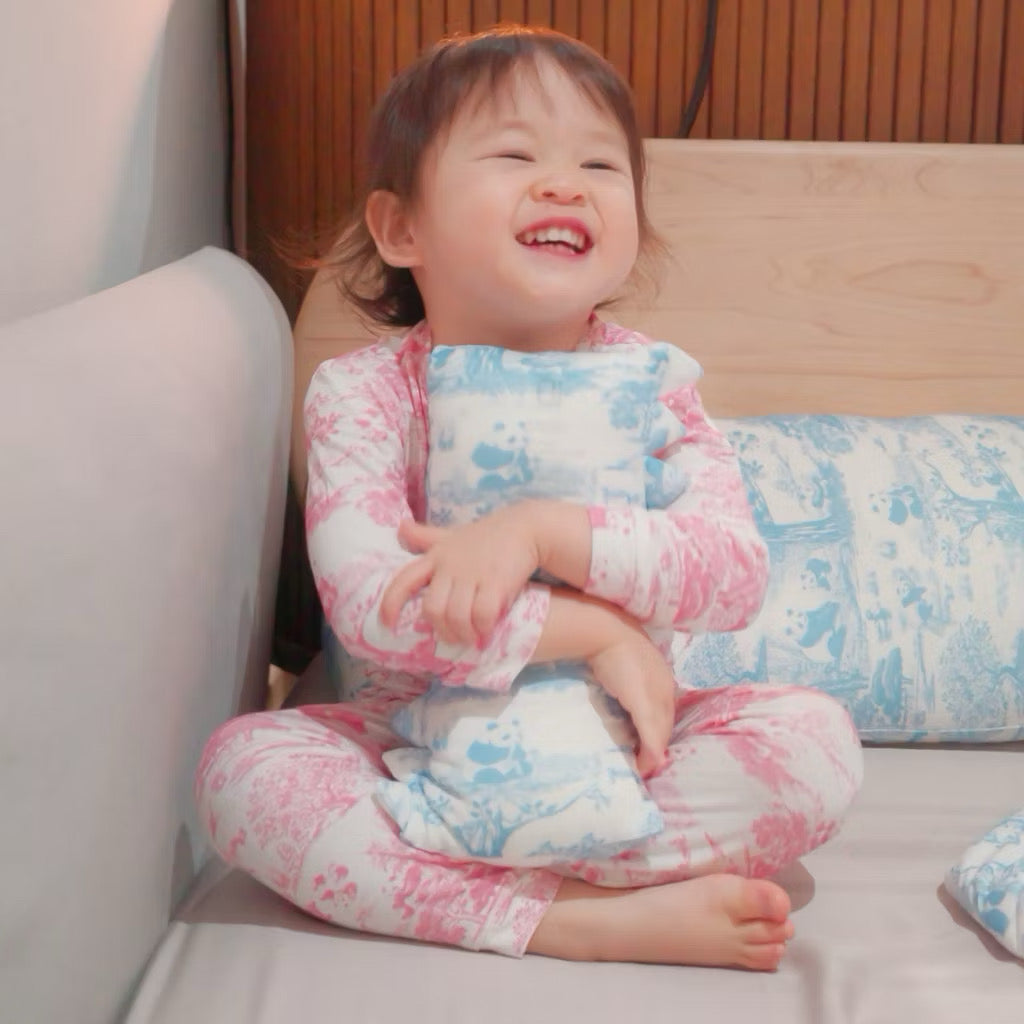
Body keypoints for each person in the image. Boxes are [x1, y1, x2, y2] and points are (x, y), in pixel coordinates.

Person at [195, 25, 863, 971]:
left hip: (629, 733)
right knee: (241, 778)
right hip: (408, 745)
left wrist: (542, 531)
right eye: (514, 155)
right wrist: (603, 633)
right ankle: (579, 918)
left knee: (815, 746)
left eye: (600, 162)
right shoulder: (368, 392)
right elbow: (371, 606)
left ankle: (467, 891)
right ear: (401, 228)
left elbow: (731, 575)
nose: (565, 183)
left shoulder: (658, 387)